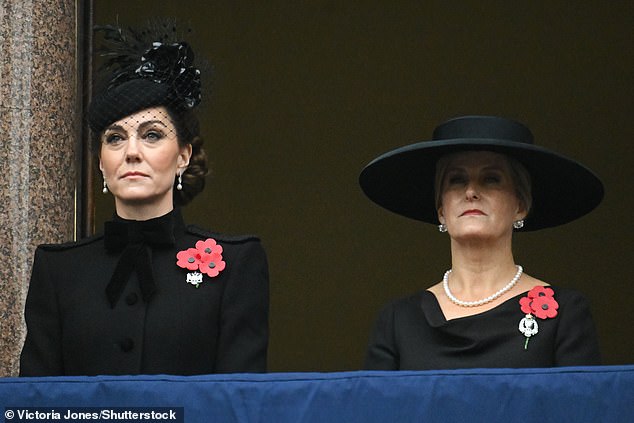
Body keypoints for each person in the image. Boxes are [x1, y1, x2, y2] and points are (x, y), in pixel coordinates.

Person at [19, 23, 269, 376]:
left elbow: (241, 404)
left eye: (151, 135)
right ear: (101, 163)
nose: (131, 152)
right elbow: (36, 403)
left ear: (183, 155)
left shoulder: (236, 265)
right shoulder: (58, 271)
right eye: (115, 139)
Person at [359, 115, 603, 370]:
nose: (471, 191)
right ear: (441, 210)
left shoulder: (565, 314)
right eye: (456, 180)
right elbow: (376, 410)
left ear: (520, 205)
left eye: (491, 179)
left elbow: (581, 408)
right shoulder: (398, 321)